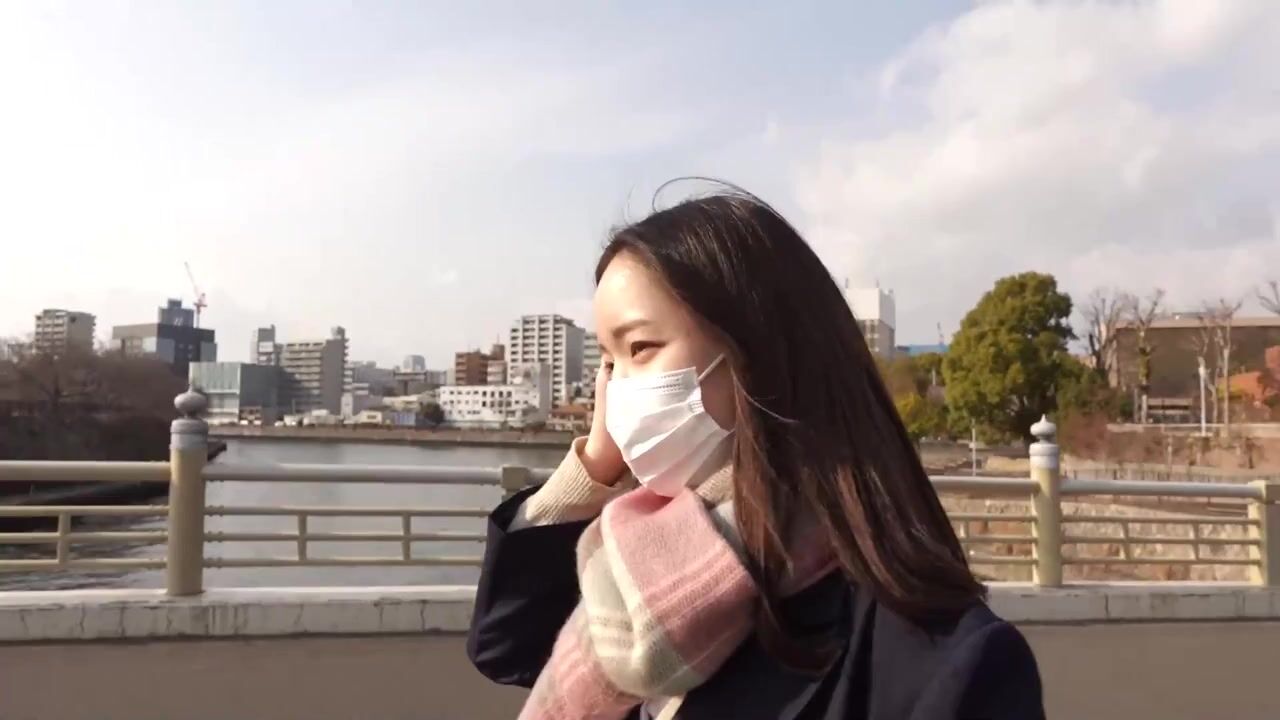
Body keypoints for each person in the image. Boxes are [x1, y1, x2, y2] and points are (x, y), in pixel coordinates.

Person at [467, 185, 1045, 720]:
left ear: (760, 353)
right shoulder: (634, 572)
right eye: (608, 362)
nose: (615, 388)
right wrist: (595, 463)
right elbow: (507, 645)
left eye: (640, 347)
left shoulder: (951, 670)